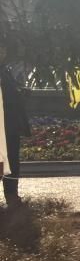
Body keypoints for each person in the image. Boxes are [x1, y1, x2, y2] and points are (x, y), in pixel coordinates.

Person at [0, 60, 29, 208]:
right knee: (9, 161)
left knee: (10, 161)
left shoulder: (6, 72)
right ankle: (11, 195)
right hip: (6, 127)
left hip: (9, 127)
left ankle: (11, 195)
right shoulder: (5, 73)